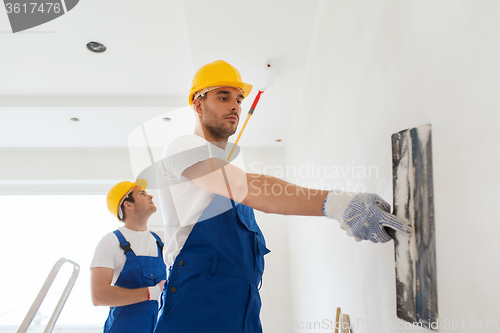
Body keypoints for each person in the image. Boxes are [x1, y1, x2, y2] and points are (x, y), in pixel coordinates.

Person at [153, 60, 412, 333]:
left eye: (239, 99)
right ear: (197, 104)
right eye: (223, 97)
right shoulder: (182, 147)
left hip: (243, 304)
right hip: (196, 299)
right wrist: (338, 204)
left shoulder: (228, 169)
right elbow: (252, 188)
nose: (236, 106)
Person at [90, 179, 166, 333]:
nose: (150, 196)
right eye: (142, 194)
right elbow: (98, 295)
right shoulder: (110, 242)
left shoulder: (162, 241)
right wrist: (153, 292)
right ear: (128, 204)